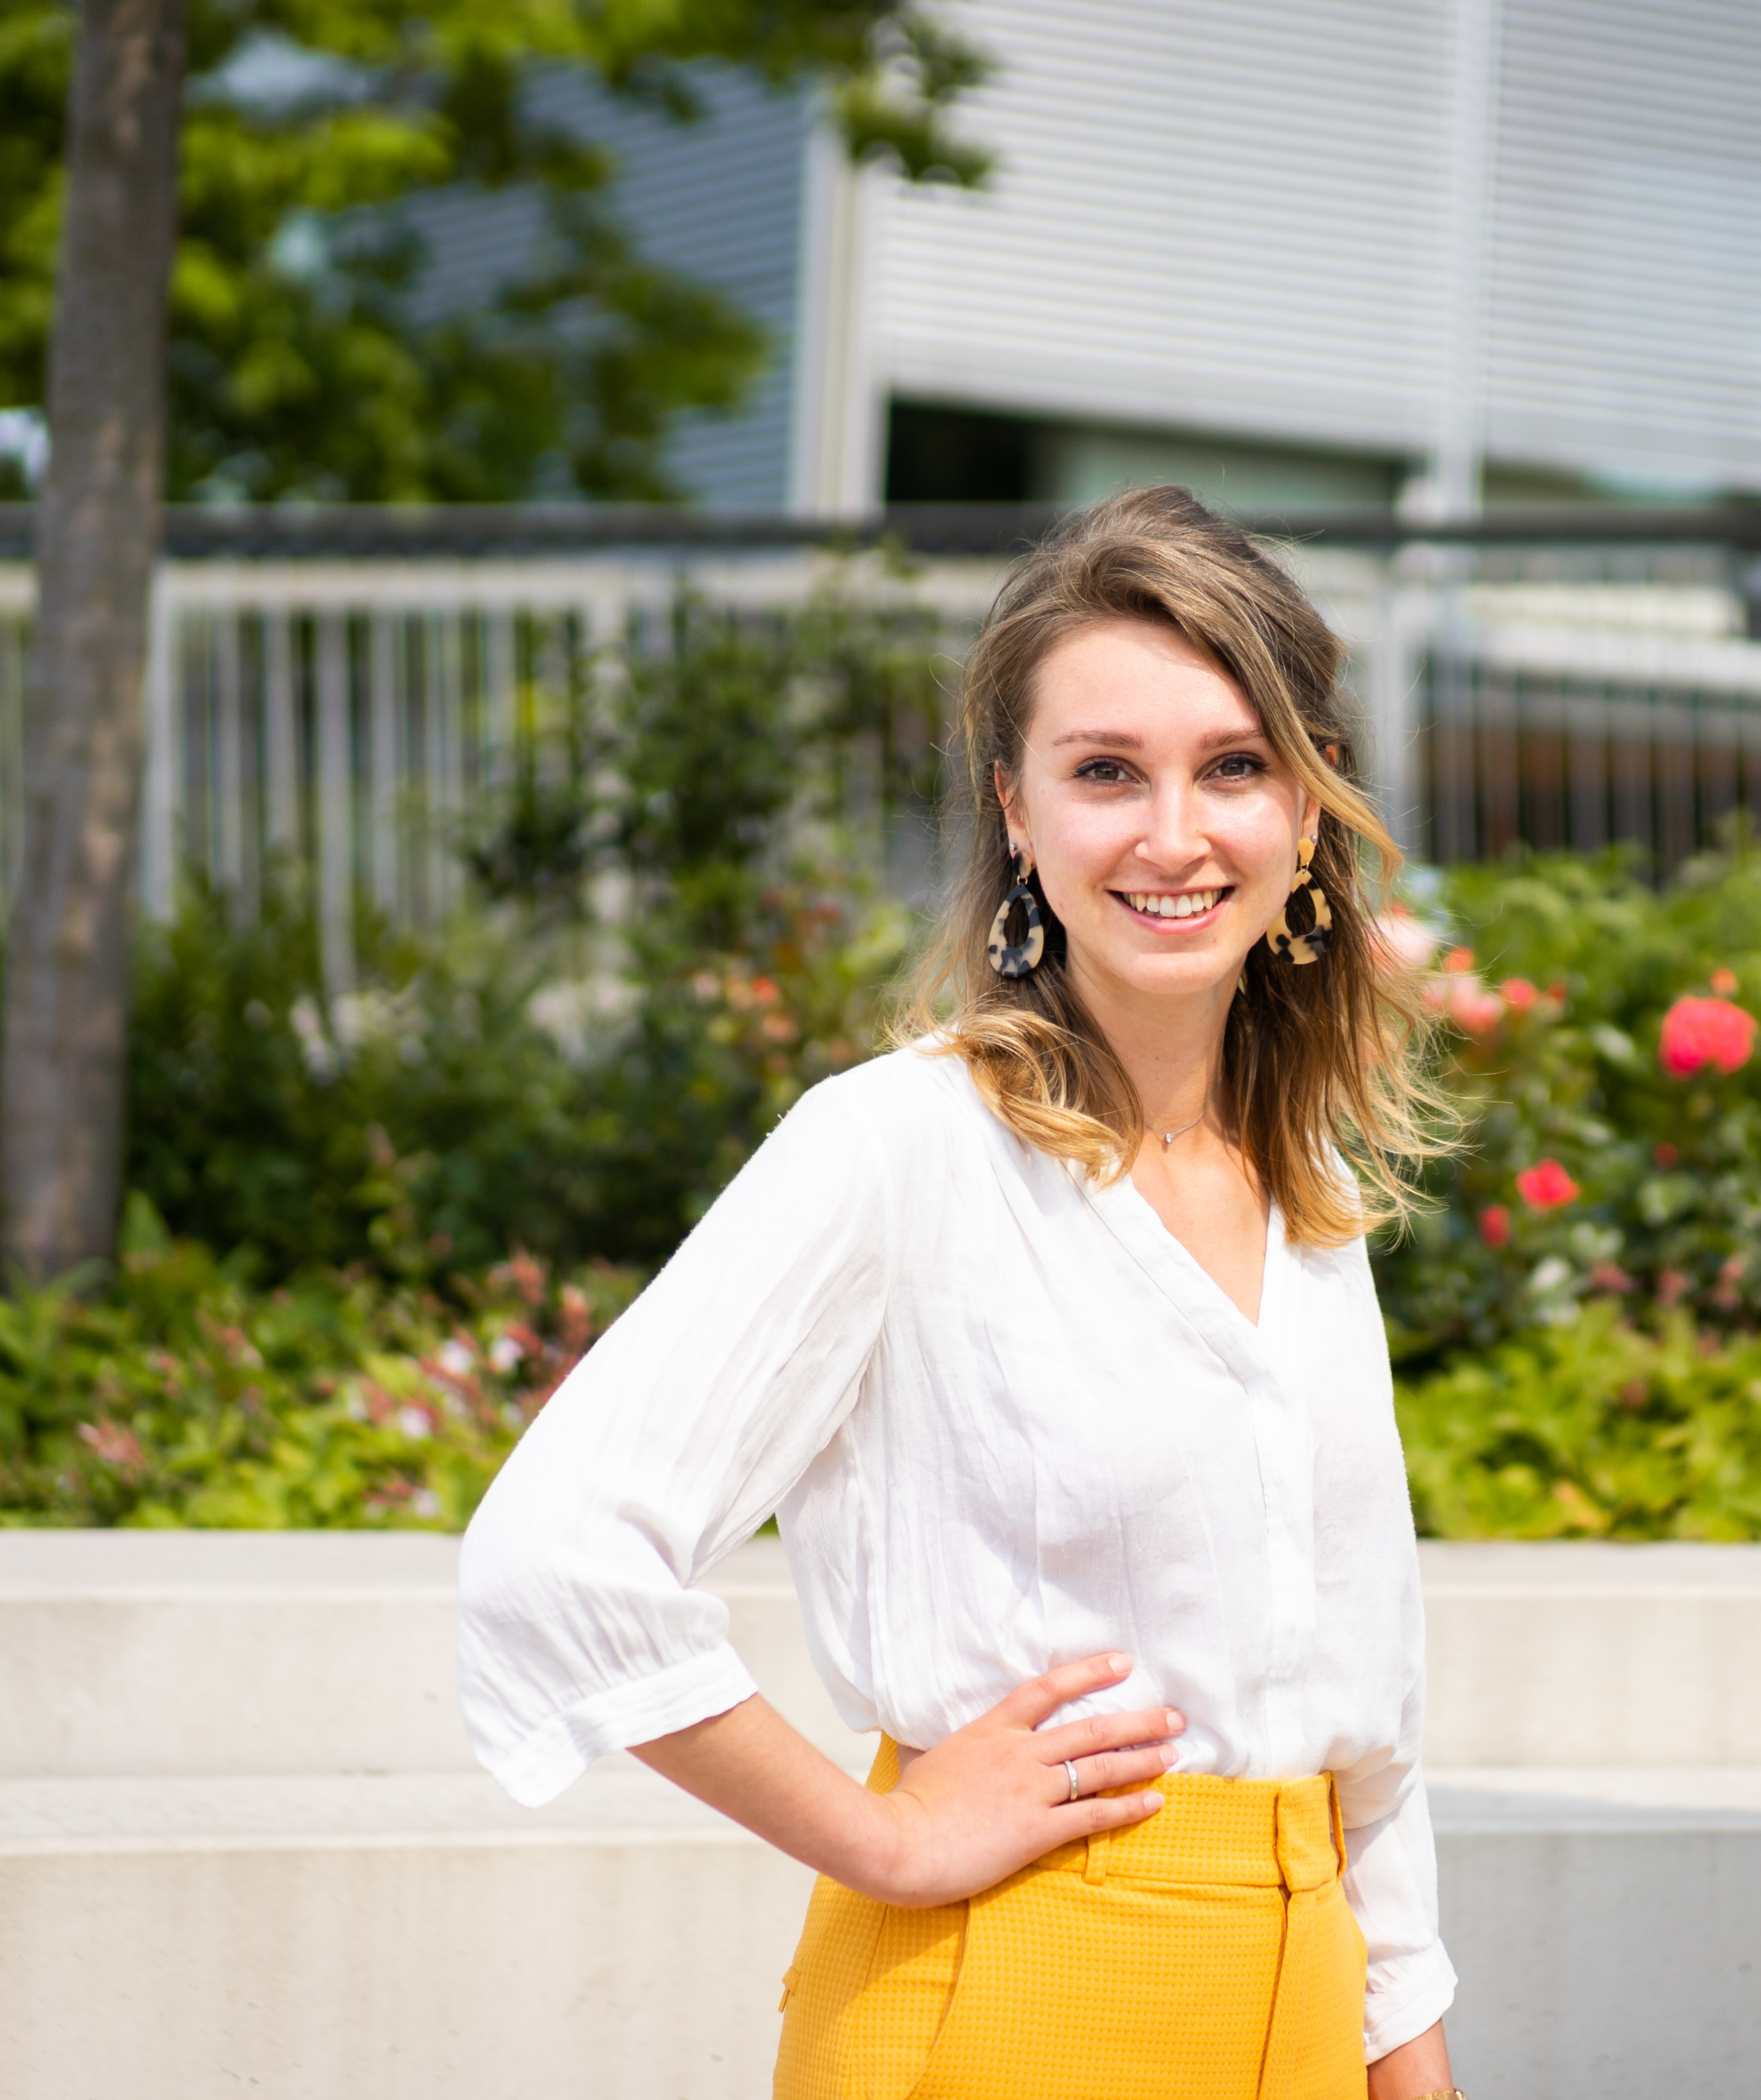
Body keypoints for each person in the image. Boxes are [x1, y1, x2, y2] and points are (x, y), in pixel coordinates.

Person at [456, 487, 1464, 2100]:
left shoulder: (1304, 1195)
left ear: (1307, 807)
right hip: (1015, 1985)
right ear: (1016, 808)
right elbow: (552, 1558)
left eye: (1233, 763)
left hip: (1307, 1992)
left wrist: (1408, 2056)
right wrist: (887, 1833)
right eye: (1105, 770)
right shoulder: (898, 1145)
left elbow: (1366, 1695)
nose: (1175, 832)